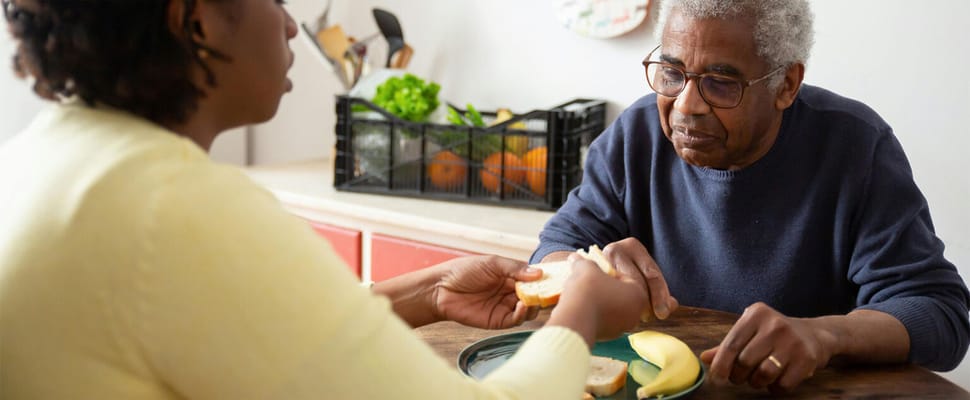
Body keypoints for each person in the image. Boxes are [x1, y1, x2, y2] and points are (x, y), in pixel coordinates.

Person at [0, 1, 650, 399]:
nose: (288, 23)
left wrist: (424, 294)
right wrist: (582, 312)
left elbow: (250, 334)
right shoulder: (174, 208)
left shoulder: (42, 158)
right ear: (193, 19)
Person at [533, 0, 970, 394]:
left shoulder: (855, 146)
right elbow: (549, 255)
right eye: (671, 74)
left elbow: (940, 315)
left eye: (721, 83)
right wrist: (586, 270)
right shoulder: (637, 136)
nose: (686, 105)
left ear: (787, 85)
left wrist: (825, 335)